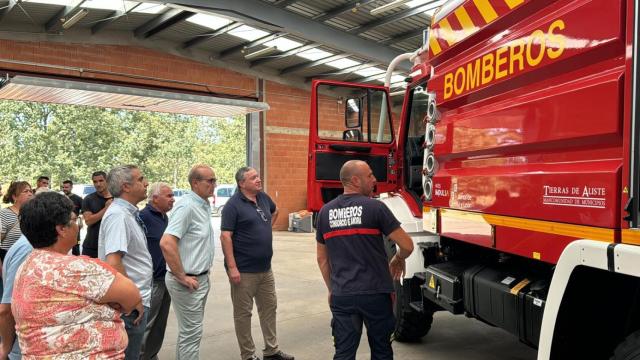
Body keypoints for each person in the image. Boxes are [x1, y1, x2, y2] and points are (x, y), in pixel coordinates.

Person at [7, 191, 142, 358]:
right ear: (62, 229)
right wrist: (107, 304)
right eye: (74, 220)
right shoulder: (77, 269)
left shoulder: (29, 263)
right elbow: (132, 297)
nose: (78, 226)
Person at [315, 160, 414, 360]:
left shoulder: (325, 212)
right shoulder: (375, 208)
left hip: (343, 295)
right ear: (355, 180)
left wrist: (332, 289)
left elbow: (322, 259)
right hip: (376, 294)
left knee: (343, 353)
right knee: (382, 351)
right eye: (369, 175)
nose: (375, 179)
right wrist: (397, 258)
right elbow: (408, 245)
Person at [221, 167, 294, 360]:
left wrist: (265, 229)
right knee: (243, 315)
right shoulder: (232, 206)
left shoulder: (262, 198)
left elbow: (275, 210)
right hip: (243, 271)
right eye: (253, 178)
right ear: (241, 183)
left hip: (265, 269)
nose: (258, 180)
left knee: (269, 309)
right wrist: (232, 267)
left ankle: (271, 351)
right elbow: (225, 236)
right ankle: (248, 355)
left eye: (258, 176)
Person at [160, 164, 216, 360]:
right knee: (191, 333)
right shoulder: (187, 206)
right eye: (210, 181)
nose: (214, 184)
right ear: (195, 183)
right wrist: (182, 276)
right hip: (187, 282)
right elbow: (167, 243)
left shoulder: (202, 204)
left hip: (200, 279)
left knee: (190, 333)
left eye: (214, 180)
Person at [99, 165, 151, 360]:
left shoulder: (126, 213)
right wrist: (133, 299)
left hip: (134, 302)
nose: (146, 183)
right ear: (126, 187)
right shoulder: (118, 216)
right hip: (130, 306)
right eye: (141, 179)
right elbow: (114, 262)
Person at [140, 182, 175, 360]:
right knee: (147, 324)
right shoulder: (143, 217)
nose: (173, 199)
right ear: (155, 198)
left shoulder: (164, 217)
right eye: (168, 196)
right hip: (152, 281)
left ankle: (151, 355)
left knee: (159, 325)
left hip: (165, 278)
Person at [82, 171, 112, 258]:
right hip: (91, 246)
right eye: (95, 182)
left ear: (107, 181)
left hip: (110, 246)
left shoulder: (117, 198)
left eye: (101, 181)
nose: (98, 184)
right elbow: (88, 221)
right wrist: (106, 208)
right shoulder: (88, 199)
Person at [0, 181, 33, 261]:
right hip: (9, 259)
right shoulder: (4, 214)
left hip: (28, 260)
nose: (30, 194)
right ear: (15, 196)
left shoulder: (33, 213)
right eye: (25, 191)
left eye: (30, 191)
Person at [62, 180, 84, 255]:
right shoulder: (59, 198)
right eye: (63, 187)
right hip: (62, 226)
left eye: (67, 187)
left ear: (71, 187)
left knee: (76, 244)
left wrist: (80, 220)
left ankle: (76, 260)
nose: (65, 189)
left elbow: (84, 211)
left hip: (74, 225)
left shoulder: (78, 199)